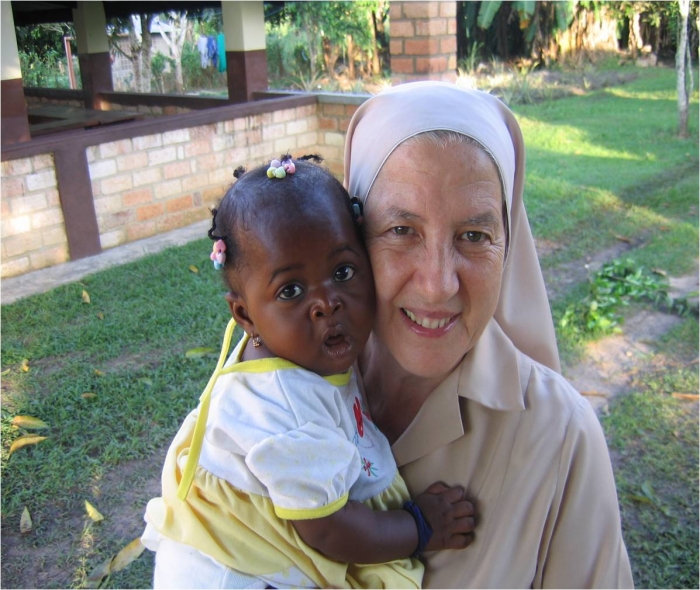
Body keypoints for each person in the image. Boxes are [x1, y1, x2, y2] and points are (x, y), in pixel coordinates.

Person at [343, 82, 634, 588]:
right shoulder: (274, 382)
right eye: (401, 230)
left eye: (474, 237)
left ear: (509, 243)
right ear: (353, 233)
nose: (437, 285)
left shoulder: (560, 439)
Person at [141, 155, 475, 589]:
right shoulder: (286, 409)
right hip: (233, 573)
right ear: (245, 316)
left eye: (343, 272)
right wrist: (420, 527)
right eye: (291, 290)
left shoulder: (298, 348)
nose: (327, 303)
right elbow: (329, 530)